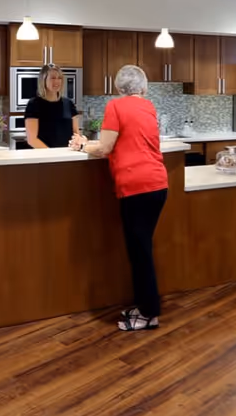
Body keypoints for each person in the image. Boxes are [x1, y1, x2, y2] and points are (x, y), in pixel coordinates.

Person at [69, 65, 168, 332]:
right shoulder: (148, 106)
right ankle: (146, 307)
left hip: (136, 187)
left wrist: (82, 145)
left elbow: (105, 148)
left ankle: (149, 315)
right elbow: (123, 143)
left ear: (118, 87)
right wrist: (89, 144)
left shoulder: (115, 106)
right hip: (157, 184)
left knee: (140, 253)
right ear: (143, 87)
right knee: (141, 250)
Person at [25, 65, 81, 149]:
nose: (57, 81)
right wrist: (52, 154)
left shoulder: (69, 104)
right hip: (45, 155)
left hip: (67, 154)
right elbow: (32, 140)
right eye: (53, 78)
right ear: (44, 80)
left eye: (59, 78)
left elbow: (76, 133)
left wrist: (79, 142)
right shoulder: (34, 104)